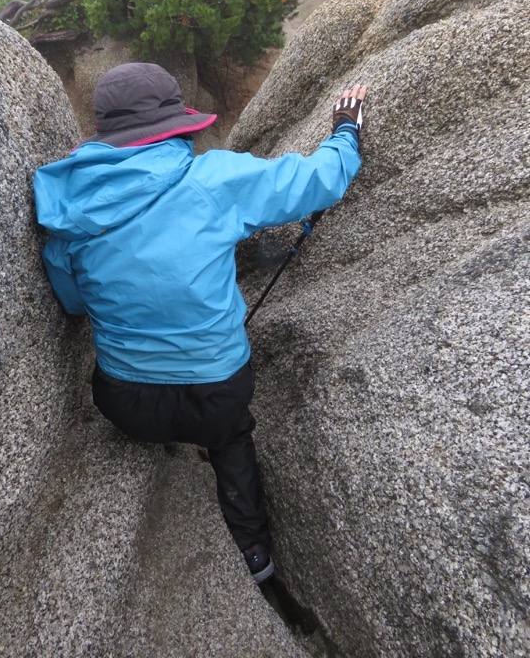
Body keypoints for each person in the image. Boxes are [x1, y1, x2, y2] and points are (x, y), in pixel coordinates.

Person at [33, 62, 366, 584]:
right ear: (174, 123)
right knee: (233, 439)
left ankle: (173, 448)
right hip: (217, 399)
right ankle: (255, 555)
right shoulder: (214, 179)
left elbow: (73, 303)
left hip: (126, 406)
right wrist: (346, 132)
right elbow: (318, 181)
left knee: (156, 397)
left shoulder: (68, 212)